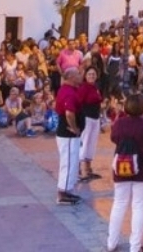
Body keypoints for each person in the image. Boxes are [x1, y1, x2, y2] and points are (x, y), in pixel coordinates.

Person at [106, 94, 143, 252]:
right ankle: (135, 247)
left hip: (122, 166)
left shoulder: (119, 123)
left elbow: (114, 138)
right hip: (142, 168)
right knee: (139, 207)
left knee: (119, 204)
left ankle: (111, 242)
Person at [55, 67, 84, 205]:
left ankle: (68, 188)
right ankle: (63, 192)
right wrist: (75, 128)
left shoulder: (70, 90)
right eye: (78, 74)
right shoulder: (68, 92)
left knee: (72, 161)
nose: (80, 76)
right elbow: (69, 113)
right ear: (71, 77)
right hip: (68, 133)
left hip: (68, 133)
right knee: (68, 162)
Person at [78, 67, 104, 181]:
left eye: (93, 74)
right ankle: (79, 170)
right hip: (87, 118)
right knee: (84, 143)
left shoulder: (96, 87)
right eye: (89, 74)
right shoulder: (83, 88)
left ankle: (88, 169)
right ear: (85, 75)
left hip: (95, 118)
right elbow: (78, 102)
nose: (92, 76)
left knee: (92, 143)